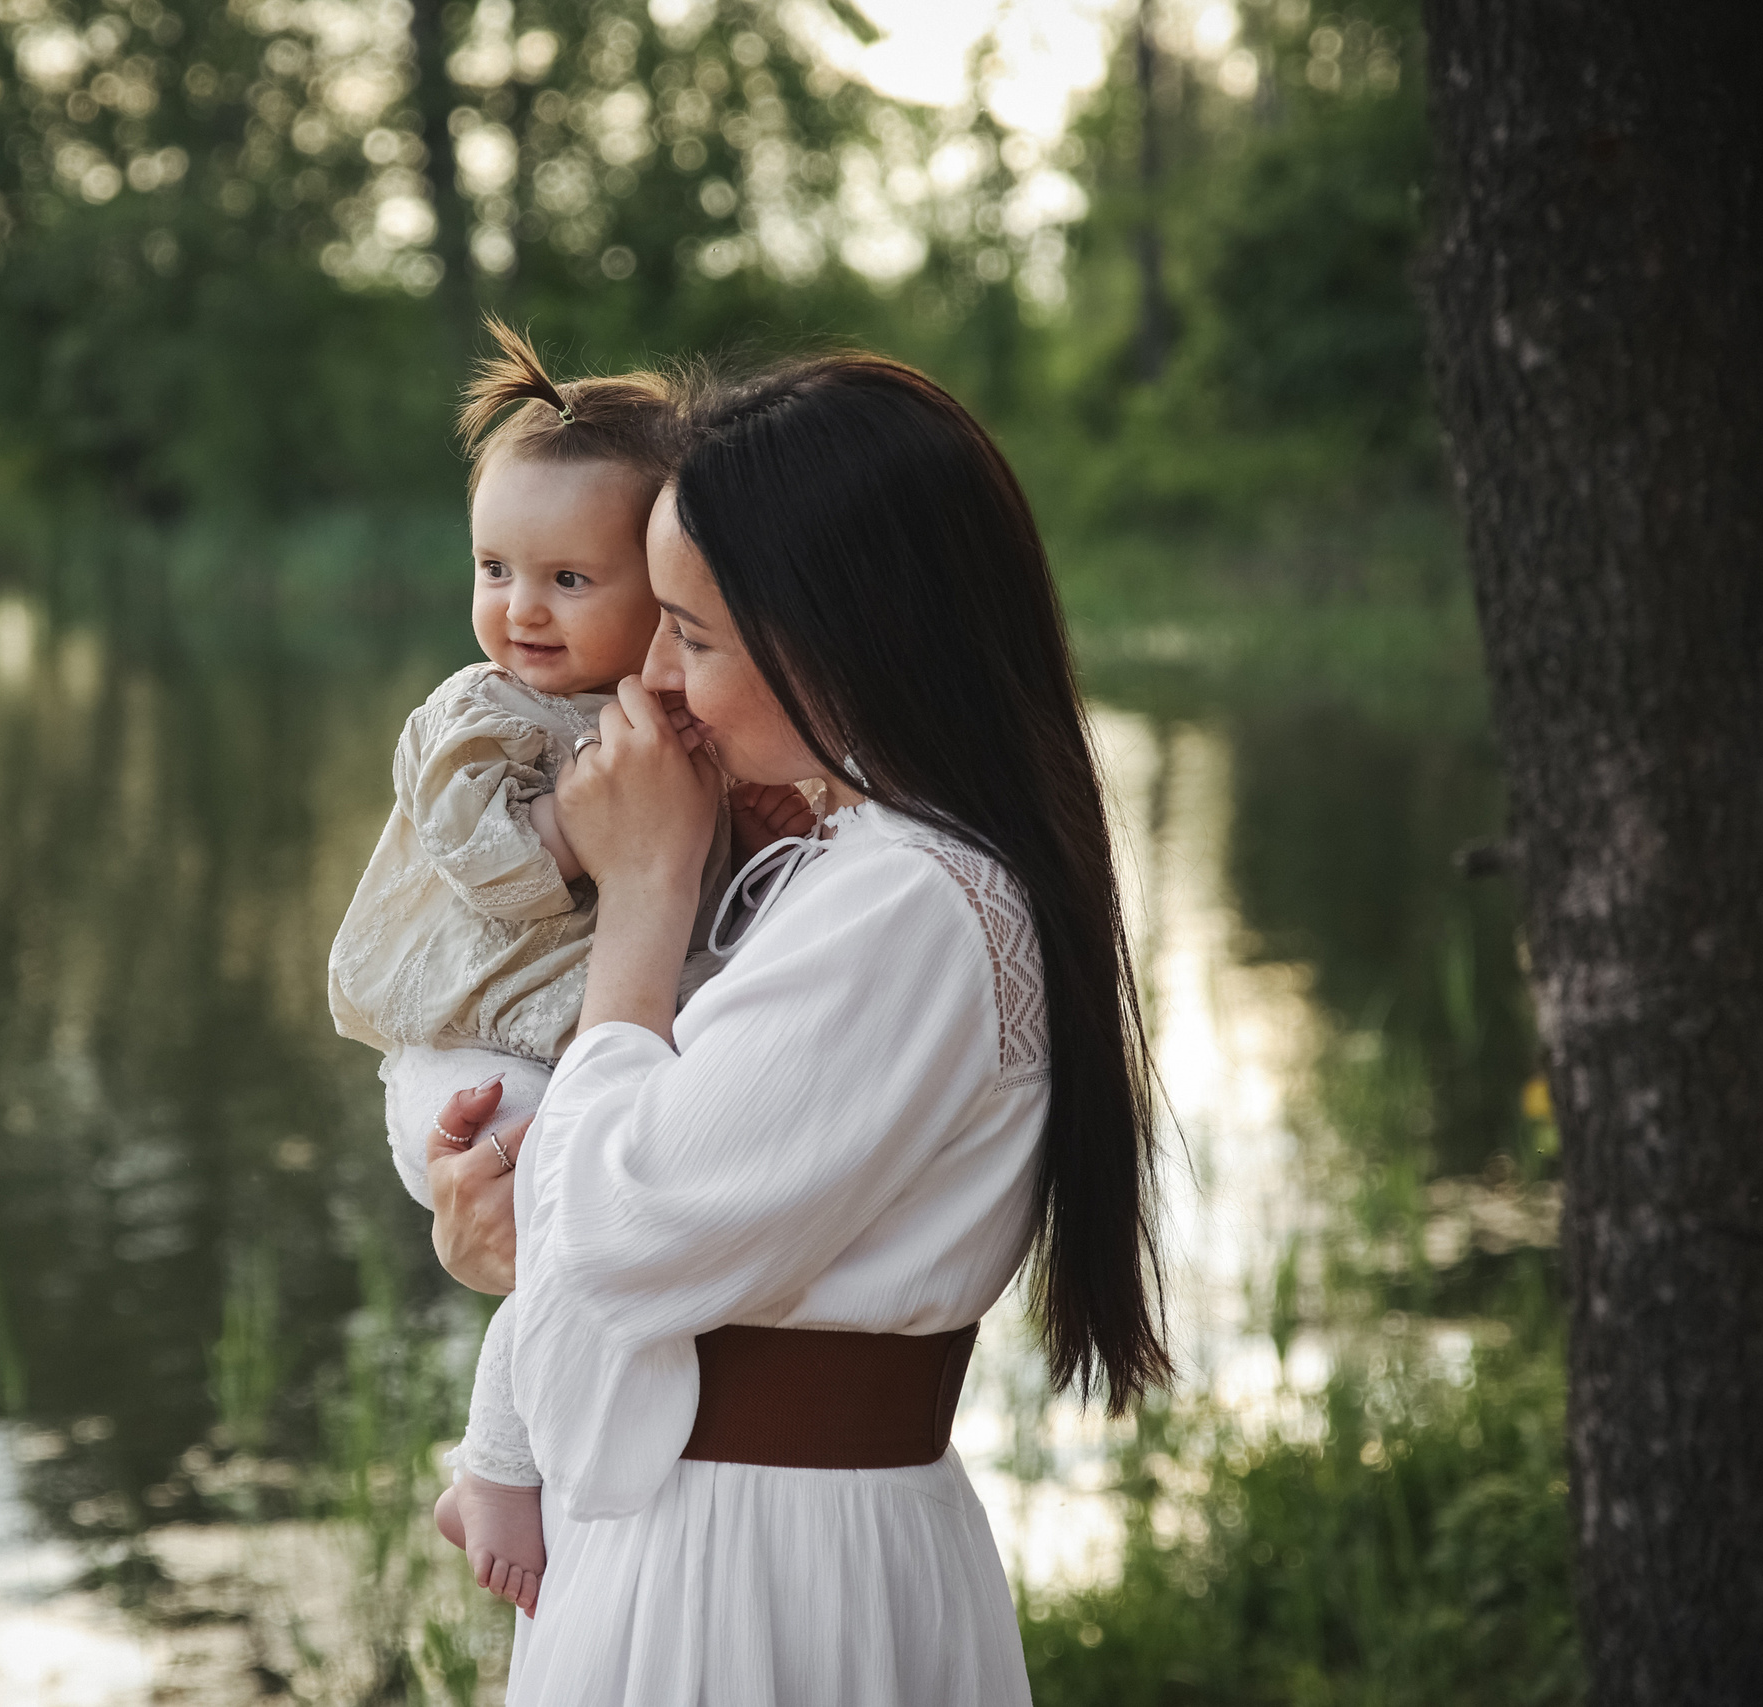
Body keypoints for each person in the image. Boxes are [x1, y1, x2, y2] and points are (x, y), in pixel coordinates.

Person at [422, 351, 1172, 1703]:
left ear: (837, 632)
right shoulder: (859, 868)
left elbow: (615, 1236)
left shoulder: (911, 906)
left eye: (692, 636)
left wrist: (649, 890)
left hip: (750, 1577)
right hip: (712, 1533)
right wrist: (505, 1221)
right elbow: (607, 1231)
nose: (651, 674)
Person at [327, 319, 809, 1613]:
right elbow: (487, 868)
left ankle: (556, 1458)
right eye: (494, 569)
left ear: (666, 586)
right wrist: (594, 818)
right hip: (466, 1055)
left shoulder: (679, 712)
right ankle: (494, 1466)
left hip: (561, 1044)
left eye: (568, 580)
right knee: (572, 1224)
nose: (517, 610)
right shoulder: (482, 714)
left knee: (596, 1229)